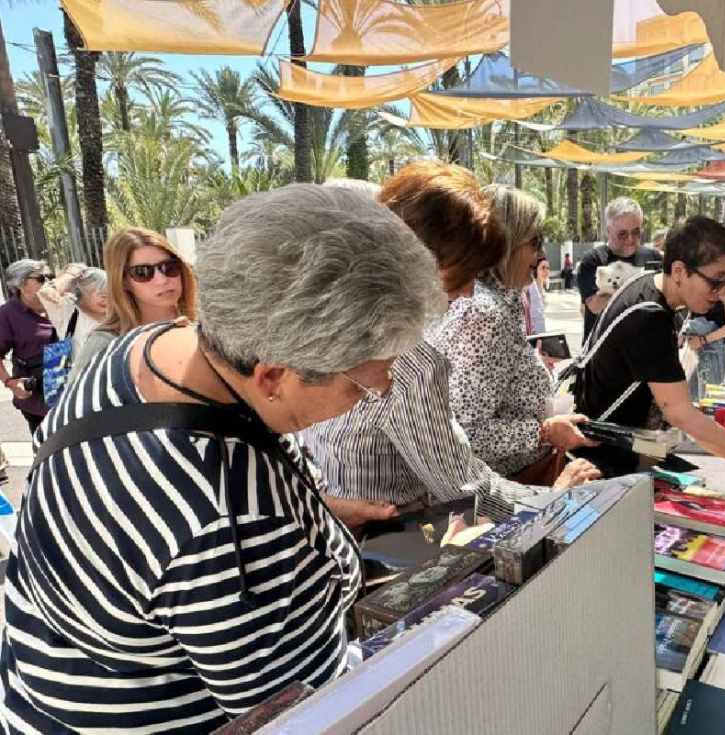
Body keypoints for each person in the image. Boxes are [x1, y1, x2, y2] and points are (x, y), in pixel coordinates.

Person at [0, 184, 446, 732]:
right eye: (363, 384)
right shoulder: (234, 522)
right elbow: (309, 716)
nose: (380, 390)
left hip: (42, 689)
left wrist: (323, 508)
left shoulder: (148, 346)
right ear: (273, 374)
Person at [305, 163, 599, 527]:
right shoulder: (410, 365)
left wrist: (321, 503)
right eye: (461, 275)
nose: (467, 292)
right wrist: (557, 495)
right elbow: (466, 488)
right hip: (389, 543)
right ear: (417, 261)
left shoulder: (323, 325)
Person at [573, 215, 725, 501]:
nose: (723, 292)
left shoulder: (649, 285)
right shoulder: (648, 315)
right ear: (679, 270)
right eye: (716, 281)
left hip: (622, 445)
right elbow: (680, 413)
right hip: (604, 456)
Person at [427, 183, 597, 484]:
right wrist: (544, 432)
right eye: (535, 241)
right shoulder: (482, 312)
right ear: (506, 243)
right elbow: (463, 432)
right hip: (503, 493)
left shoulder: (498, 302)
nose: (542, 254)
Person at [73, 227, 198, 373]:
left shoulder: (205, 327)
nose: (162, 280)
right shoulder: (106, 344)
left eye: (169, 267)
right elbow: (76, 395)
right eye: (142, 272)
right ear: (123, 281)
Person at [577, 198, 662, 340]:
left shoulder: (653, 257)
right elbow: (598, 306)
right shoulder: (592, 261)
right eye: (622, 234)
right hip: (605, 353)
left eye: (636, 232)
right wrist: (643, 292)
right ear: (608, 231)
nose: (630, 239)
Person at [0, 260, 55, 433]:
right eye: (40, 278)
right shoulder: (8, 314)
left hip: (69, 392)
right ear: (23, 284)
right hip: (37, 400)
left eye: (50, 277)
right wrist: (10, 382)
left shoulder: (60, 305)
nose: (48, 282)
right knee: (47, 450)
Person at [683, 278, 725, 401]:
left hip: (714, 352)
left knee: (709, 400)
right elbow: (692, 315)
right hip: (694, 351)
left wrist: (703, 340)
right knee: (691, 399)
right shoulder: (696, 283)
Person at [36, 262, 108, 361]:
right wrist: (71, 275)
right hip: (79, 375)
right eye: (102, 295)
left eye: (110, 295)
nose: (106, 300)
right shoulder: (67, 312)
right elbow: (45, 292)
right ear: (84, 292)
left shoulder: (115, 316)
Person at [523, 256, 551, 335]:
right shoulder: (530, 287)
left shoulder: (543, 287)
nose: (546, 271)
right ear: (536, 270)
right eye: (542, 268)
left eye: (548, 268)